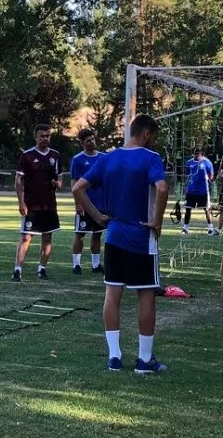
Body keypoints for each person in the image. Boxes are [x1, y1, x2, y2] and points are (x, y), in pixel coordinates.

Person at [72, 114, 170, 374]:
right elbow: (161, 189)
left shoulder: (108, 158)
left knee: (112, 295)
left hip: (113, 236)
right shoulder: (151, 158)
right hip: (140, 238)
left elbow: (77, 188)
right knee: (146, 295)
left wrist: (98, 216)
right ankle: (144, 360)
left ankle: (114, 356)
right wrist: (157, 221)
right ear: (147, 134)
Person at [12, 123, 62, 282]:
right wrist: (21, 202)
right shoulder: (26, 156)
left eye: (47, 136)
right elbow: (19, 181)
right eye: (42, 136)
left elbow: (59, 177)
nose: (45, 139)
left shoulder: (55, 155)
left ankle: (42, 269)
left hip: (49, 205)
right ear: (36, 137)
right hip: (31, 204)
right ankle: (17, 270)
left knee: (47, 238)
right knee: (26, 237)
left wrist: (58, 184)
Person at [70, 128, 104, 275]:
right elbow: (74, 183)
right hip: (85, 203)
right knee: (80, 233)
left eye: (92, 139)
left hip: (100, 204)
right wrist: (78, 203)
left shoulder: (103, 157)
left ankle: (96, 264)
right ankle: (76, 264)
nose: (91, 142)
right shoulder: (78, 159)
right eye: (88, 140)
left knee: (97, 234)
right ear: (82, 143)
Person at [181, 146, 215, 235]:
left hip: (203, 190)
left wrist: (209, 178)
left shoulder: (207, 162)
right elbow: (188, 174)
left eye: (198, 152)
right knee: (188, 209)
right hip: (191, 190)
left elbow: (211, 176)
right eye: (195, 152)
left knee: (206, 209)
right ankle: (185, 228)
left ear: (202, 152)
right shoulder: (189, 162)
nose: (197, 154)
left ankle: (210, 229)